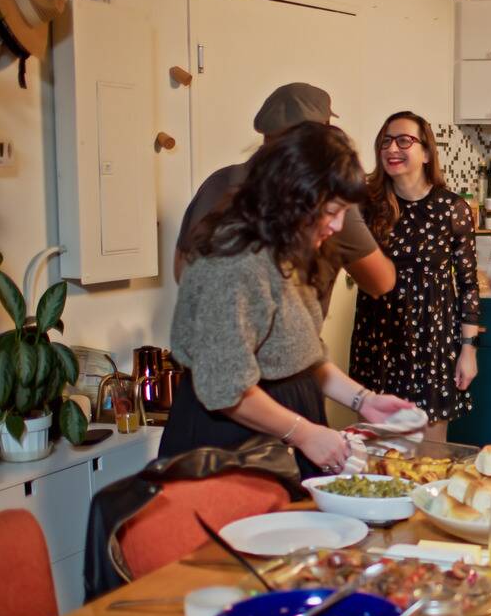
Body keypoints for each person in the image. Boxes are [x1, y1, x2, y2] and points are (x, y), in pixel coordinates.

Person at [163, 122, 413, 478]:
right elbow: (225, 388)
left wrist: (365, 400)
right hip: (230, 448)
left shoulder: (288, 249)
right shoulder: (232, 262)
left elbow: (301, 356)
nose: (339, 225)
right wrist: (304, 433)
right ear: (294, 196)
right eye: (332, 210)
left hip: (283, 437)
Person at [174, 82, 395, 316]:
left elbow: (182, 271)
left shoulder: (218, 182)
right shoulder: (323, 197)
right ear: (321, 133)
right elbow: (380, 282)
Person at [348, 112, 480, 443]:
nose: (393, 148)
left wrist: (468, 349)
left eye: (404, 140)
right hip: (378, 340)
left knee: (429, 457)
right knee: (379, 454)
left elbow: (467, 285)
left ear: (425, 152)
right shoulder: (366, 205)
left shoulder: (452, 209)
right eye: (386, 141)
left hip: (432, 343)